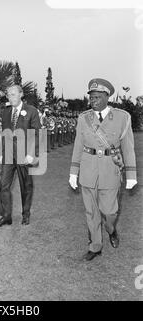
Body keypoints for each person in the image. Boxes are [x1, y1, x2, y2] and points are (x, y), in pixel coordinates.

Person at [69, 78, 137, 261]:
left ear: (108, 96)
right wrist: (73, 172)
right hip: (88, 169)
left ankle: (111, 229)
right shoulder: (84, 118)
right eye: (91, 97)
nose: (93, 100)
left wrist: (131, 174)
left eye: (98, 97)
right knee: (91, 211)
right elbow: (78, 146)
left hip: (110, 170)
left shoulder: (123, 117)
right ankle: (95, 246)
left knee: (109, 211)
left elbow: (128, 147)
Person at [0, 85, 41, 227]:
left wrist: (32, 154)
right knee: (3, 185)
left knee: (26, 186)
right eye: (8, 95)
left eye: (13, 94)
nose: (10, 97)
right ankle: (6, 216)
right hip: (8, 155)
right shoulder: (5, 112)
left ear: (21, 94)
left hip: (24, 154)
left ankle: (26, 214)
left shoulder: (31, 111)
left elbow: (37, 134)